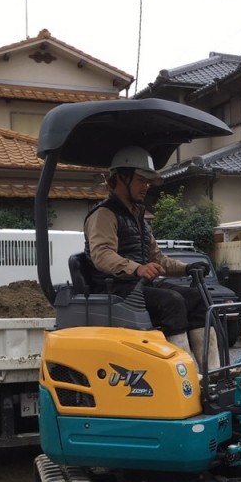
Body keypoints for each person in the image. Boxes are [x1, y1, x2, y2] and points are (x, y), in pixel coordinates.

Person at [83, 145, 219, 368]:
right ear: (121, 178)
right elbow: (102, 255)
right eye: (141, 180)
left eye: (148, 181)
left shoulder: (139, 218)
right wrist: (136, 268)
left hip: (138, 287)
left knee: (196, 298)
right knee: (172, 302)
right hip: (116, 289)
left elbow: (157, 258)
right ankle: (184, 375)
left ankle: (213, 374)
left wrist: (187, 268)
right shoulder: (103, 214)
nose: (146, 186)